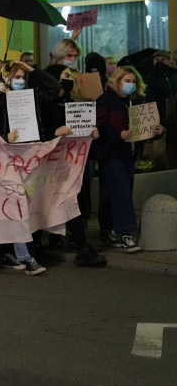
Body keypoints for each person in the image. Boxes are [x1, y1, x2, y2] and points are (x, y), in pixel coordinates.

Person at [0, 60, 61, 275]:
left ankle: (9, 252)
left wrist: (32, 69)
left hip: (31, 159)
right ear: (7, 79)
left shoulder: (33, 98)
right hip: (8, 161)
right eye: (16, 77)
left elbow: (54, 88)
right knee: (18, 205)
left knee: (24, 207)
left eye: (23, 77)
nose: (20, 81)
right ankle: (26, 256)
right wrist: (4, 136)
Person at [40, 64, 107, 268]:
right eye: (65, 75)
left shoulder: (70, 102)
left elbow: (78, 130)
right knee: (41, 202)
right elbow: (36, 131)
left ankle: (82, 247)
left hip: (64, 164)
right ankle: (34, 245)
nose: (69, 79)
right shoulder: (42, 103)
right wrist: (53, 132)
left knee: (70, 200)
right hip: (45, 165)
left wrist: (90, 133)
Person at [96, 67, 164, 253]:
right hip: (112, 153)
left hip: (130, 154)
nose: (131, 85)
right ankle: (126, 233)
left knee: (116, 192)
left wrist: (157, 132)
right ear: (116, 81)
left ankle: (107, 230)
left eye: (134, 81)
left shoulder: (138, 102)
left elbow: (145, 130)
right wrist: (119, 135)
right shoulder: (106, 100)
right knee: (122, 192)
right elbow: (100, 127)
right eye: (127, 81)